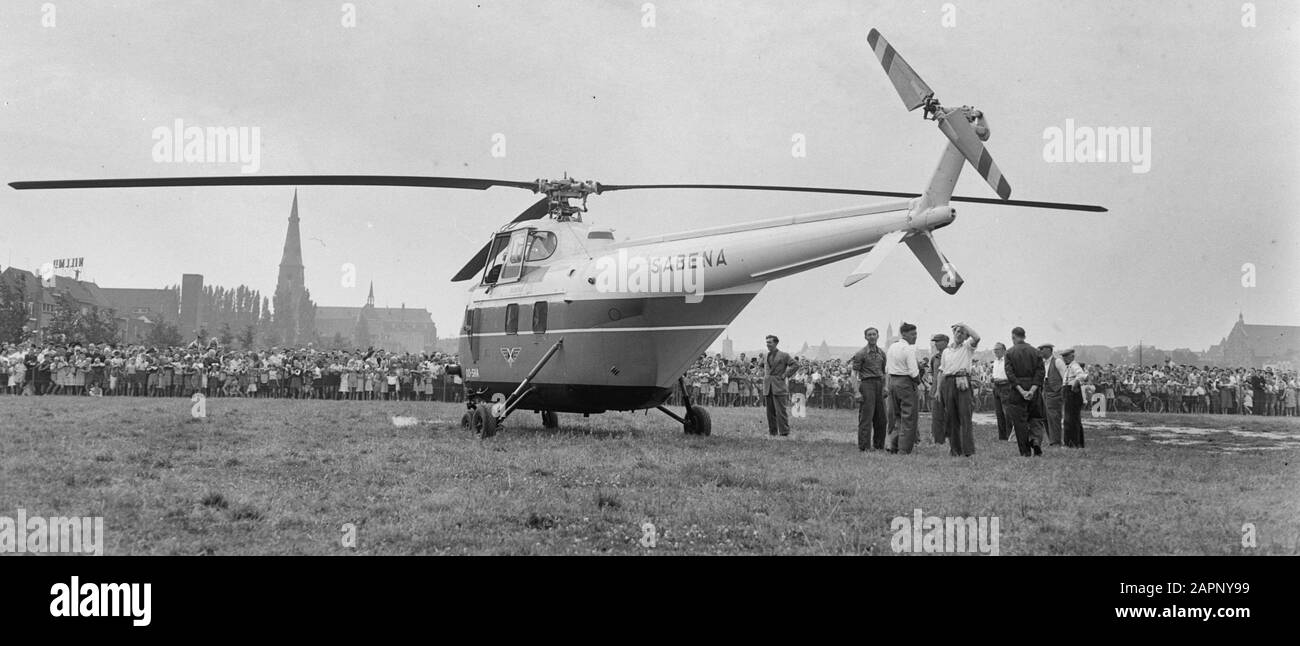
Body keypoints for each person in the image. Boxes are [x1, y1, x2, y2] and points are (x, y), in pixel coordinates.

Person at [1003, 327, 1046, 457]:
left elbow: (1010, 374)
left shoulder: (1009, 353)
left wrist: (1022, 391)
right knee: (1036, 418)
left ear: (1014, 337)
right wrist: (1032, 390)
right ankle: (1036, 440)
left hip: (1017, 390)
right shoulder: (1036, 352)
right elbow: (1040, 372)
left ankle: (1025, 452)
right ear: (1024, 336)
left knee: (1020, 422)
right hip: (1034, 389)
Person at [940, 323, 980, 456]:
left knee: (965, 416)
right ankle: (955, 449)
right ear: (953, 333)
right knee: (951, 417)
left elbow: (977, 337)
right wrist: (939, 390)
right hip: (948, 382)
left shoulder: (968, 347)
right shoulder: (946, 351)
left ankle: (968, 450)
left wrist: (963, 325)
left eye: (962, 333)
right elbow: (942, 371)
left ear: (965, 337)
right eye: (957, 331)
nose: (959, 334)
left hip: (962, 381)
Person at [850, 327, 888, 451]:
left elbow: (884, 372)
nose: (872, 336)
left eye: (874, 334)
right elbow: (853, 374)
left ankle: (879, 445)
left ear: (878, 336)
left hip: (879, 384)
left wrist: (886, 386)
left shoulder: (882, 353)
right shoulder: (861, 354)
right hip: (867, 385)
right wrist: (856, 392)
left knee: (882, 418)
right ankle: (864, 446)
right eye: (869, 334)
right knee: (866, 417)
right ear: (865, 337)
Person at [885, 322, 921, 454]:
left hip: (893, 382)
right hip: (906, 382)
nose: (915, 337)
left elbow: (887, 368)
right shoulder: (908, 349)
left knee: (896, 415)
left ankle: (892, 445)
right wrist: (918, 381)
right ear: (904, 334)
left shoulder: (892, 347)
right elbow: (914, 372)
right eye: (913, 334)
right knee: (909, 416)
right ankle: (904, 448)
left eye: (916, 334)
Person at [761, 335, 797, 437]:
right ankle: (772, 432)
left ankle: (784, 432)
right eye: (766, 342)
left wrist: (785, 374)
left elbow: (795, 365)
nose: (767, 344)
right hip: (768, 387)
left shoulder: (784, 355)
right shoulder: (765, 356)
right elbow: (762, 366)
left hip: (779, 386)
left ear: (776, 343)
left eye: (770, 342)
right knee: (770, 412)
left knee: (781, 411)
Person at [1039, 343, 1067, 446]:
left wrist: (1060, 391)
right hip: (1045, 391)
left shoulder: (1058, 361)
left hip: (1055, 392)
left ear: (1049, 350)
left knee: (1054, 417)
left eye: (1042, 349)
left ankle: (1056, 441)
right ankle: (1052, 439)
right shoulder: (1043, 363)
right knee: (1045, 416)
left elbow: (1065, 377)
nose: (1040, 351)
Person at [1060, 348, 1088, 447]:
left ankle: (1071, 443)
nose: (1064, 358)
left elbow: (1082, 375)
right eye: (1063, 357)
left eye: (1067, 356)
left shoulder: (1074, 366)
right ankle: (1077, 442)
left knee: (1070, 419)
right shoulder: (1069, 367)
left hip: (1071, 393)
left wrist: (1075, 383)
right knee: (1074, 419)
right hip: (1068, 392)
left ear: (1072, 356)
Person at [928, 333, 949, 444]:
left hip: (948, 388)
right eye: (935, 342)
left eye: (938, 341)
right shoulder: (934, 358)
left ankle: (949, 436)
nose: (935, 344)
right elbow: (932, 372)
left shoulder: (951, 354)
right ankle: (938, 439)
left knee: (949, 414)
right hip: (936, 389)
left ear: (945, 342)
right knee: (936, 415)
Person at [990, 342, 1012, 440]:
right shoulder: (995, 361)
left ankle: (1009, 435)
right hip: (996, 387)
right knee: (998, 412)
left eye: (997, 350)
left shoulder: (1008, 360)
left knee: (1007, 412)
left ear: (1004, 350)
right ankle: (1002, 436)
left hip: (1005, 386)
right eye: (994, 350)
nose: (995, 352)